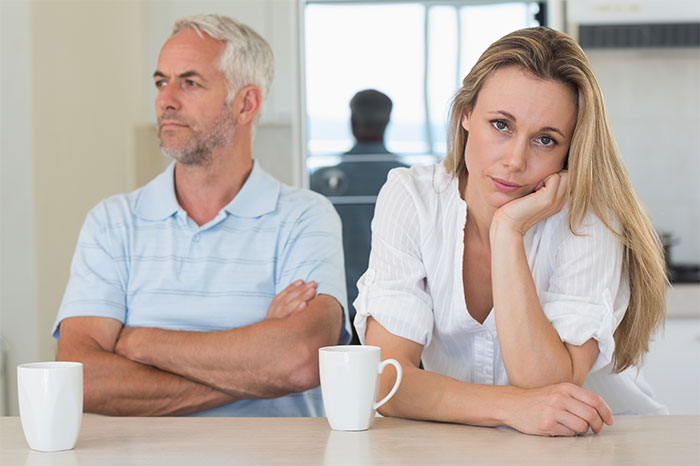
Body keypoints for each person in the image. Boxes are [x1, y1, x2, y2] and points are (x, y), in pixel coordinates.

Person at [355, 26, 668, 436]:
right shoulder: (412, 198)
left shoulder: (590, 219)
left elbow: (548, 388)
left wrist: (508, 232)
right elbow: (387, 382)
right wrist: (509, 408)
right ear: (466, 113)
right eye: (501, 125)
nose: (516, 161)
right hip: (470, 442)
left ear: (570, 150)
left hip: (599, 442)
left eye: (545, 140)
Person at [53, 14, 350, 417]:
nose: (165, 99)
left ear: (246, 104)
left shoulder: (306, 218)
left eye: (189, 83)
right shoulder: (111, 223)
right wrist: (257, 362)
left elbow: (299, 360)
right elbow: (81, 379)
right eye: (161, 82)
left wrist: (139, 343)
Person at [311, 89, 407, 343]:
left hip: (341, 310)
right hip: (401, 318)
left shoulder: (320, 182)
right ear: (388, 123)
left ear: (352, 123)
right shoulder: (412, 183)